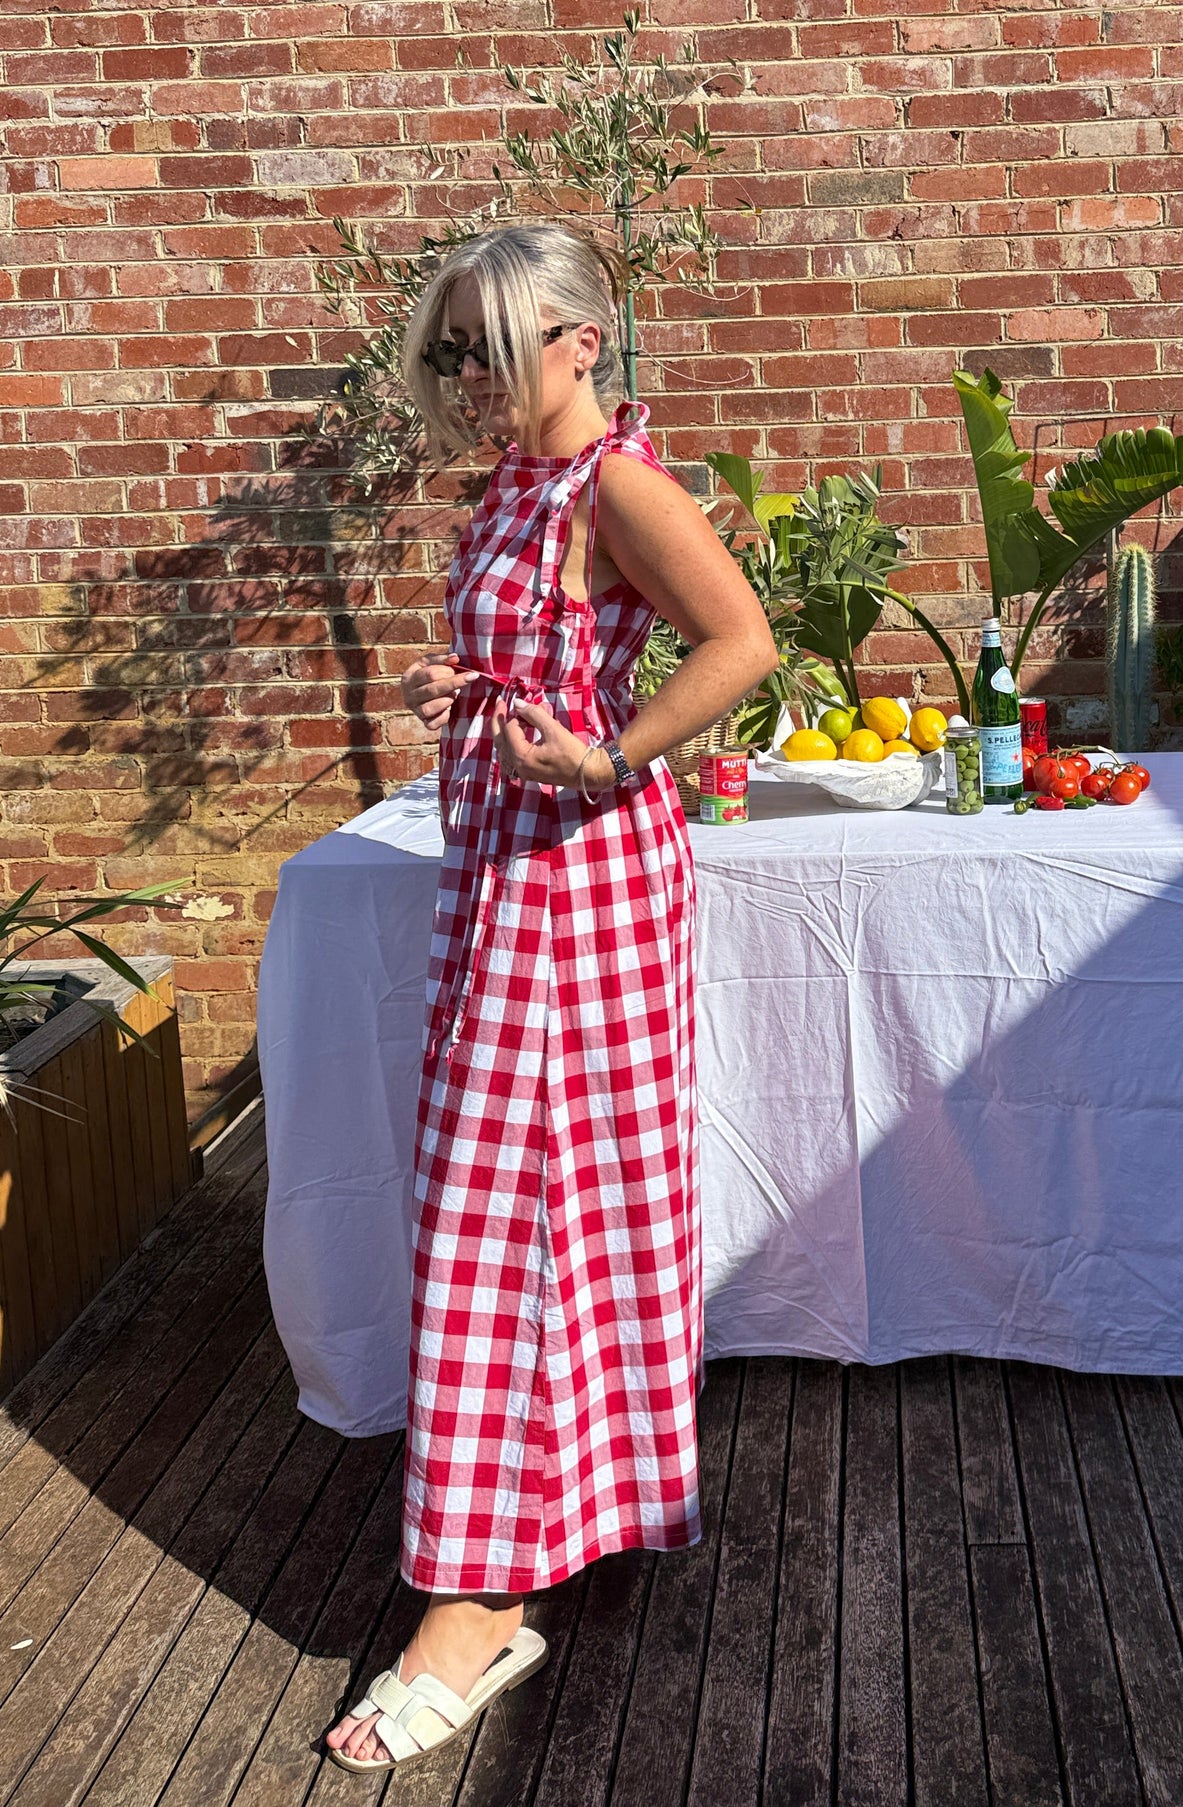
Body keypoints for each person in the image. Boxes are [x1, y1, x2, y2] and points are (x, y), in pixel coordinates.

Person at [325, 220, 777, 1773]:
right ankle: (543, 1519)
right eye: (451, 347)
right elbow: (559, 651)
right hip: (502, 880)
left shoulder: (616, 484)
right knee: (517, 1204)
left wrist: (608, 753)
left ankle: (477, 1599)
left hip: (577, 888)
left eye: (489, 347)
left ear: (580, 341)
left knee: (510, 1210)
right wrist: (483, 694)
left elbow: (742, 642)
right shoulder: (513, 485)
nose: (464, 375)